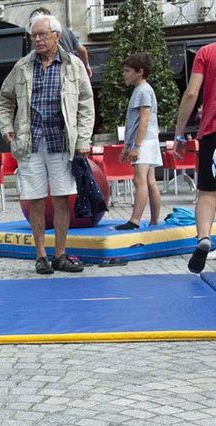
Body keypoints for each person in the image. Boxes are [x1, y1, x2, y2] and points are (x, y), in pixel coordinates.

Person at [0, 14, 94, 275]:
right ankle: (40, 256)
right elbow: (4, 99)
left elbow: (86, 105)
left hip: (63, 142)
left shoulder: (74, 65)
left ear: (56, 36)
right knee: (35, 201)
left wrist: (84, 138)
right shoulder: (21, 67)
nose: (37, 40)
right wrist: (7, 128)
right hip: (30, 143)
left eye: (42, 34)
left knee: (62, 200)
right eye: (34, 36)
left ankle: (60, 255)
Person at [172, 41, 216, 273]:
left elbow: (191, 93)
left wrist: (179, 134)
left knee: (208, 194)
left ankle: (204, 238)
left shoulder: (206, 52)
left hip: (213, 132)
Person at [116, 53, 162, 231]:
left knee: (139, 179)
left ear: (139, 72)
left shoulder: (143, 91)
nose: (124, 74)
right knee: (150, 180)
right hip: (147, 140)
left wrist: (136, 146)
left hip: (145, 141)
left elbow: (143, 120)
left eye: (127, 71)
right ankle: (154, 221)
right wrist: (127, 146)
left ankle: (135, 220)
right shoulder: (141, 90)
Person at [29, 7, 92, 78]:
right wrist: (86, 66)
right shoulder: (66, 30)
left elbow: (32, 58)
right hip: (70, 71)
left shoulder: (37, 37)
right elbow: (82, 50)